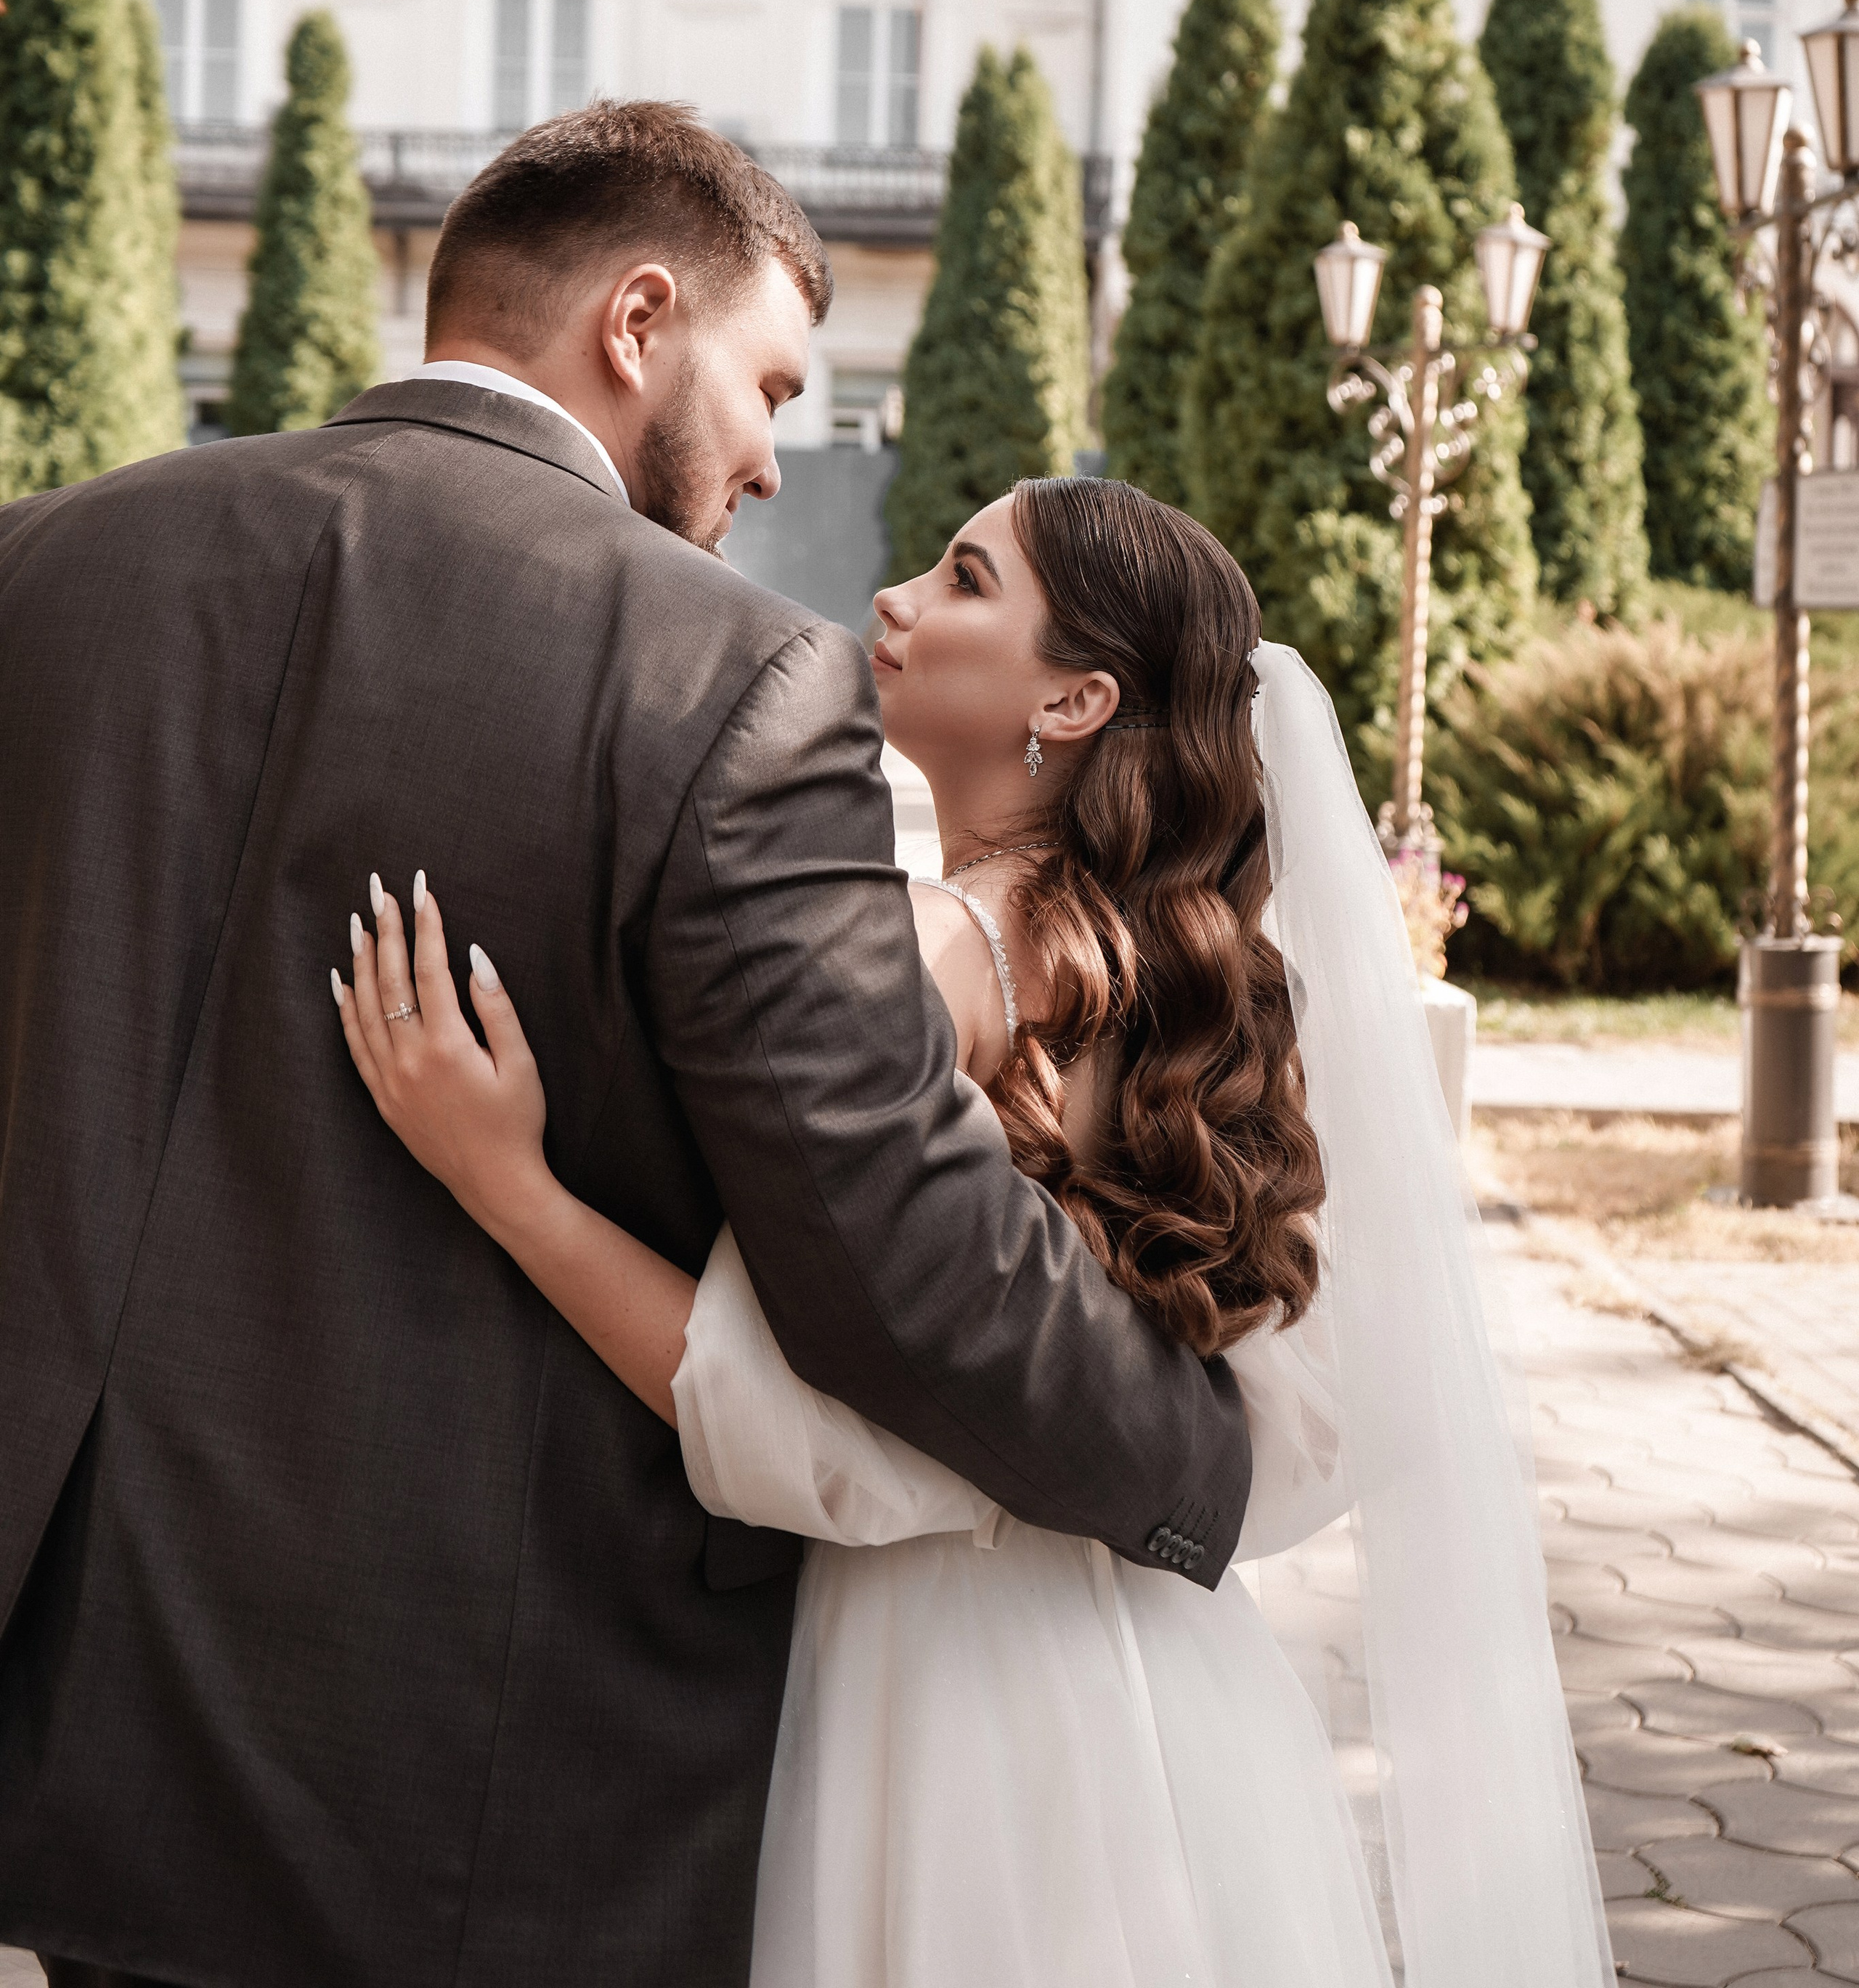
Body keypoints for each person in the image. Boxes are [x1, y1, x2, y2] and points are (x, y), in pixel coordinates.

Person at [0, 105, 1253, 1988]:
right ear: (637, 319)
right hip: (491, 1763)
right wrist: (1189, 1450)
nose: (766, 462)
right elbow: (890, 1247)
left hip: (71, 1710)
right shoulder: (723, 676)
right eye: (766, 384)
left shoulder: (48, 569)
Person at [338, 476, 1616, 1988]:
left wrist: (507, 1184)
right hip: (1171, 1683)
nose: (892, 601)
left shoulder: (939, 955)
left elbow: (770, 1401)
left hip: (944, 1692)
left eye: (959, 580)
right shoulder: (1182, 978)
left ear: (1072, 698)